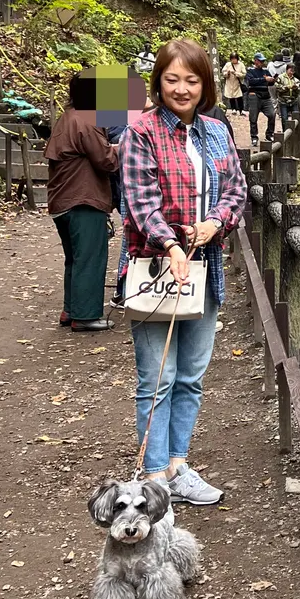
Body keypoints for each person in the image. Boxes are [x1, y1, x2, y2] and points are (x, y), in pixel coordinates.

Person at [120, 38, 247, 505]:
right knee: (157, 377)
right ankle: (153, 478)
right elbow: (139, 200)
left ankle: (178, 465)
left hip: (206, 269)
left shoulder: (216, 131)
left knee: (191, 375)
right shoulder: (142, 131)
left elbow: (236, 189)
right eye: (171, 79)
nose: (181, 88)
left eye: (191, 80)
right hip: (156, 266)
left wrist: (216, 223)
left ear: (205, 84)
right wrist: (171, 242)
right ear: (158, 82)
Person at [45, 72, 121, 332]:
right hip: (83, 199)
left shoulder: (67, 117)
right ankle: (86, 315)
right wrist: (121, 148)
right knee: (90, 257)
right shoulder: (87, 120)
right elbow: (107, 161)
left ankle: (71, 309)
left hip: (62, 201)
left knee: (75, 258)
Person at [244, 51, 276, 148]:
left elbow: (270, 83)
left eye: (262, 61)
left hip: (265, 96)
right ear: (255, 61)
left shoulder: (266, 71)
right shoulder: (250, 71)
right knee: (253, 117)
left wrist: (272, 80)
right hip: (254, 95)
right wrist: (264, 79)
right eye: (260, 61)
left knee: (272, 114)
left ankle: (269, 134)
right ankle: (254, 136)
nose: (261, 63)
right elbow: (251, 82)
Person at [275, 63, 300, 132]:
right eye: (290, 70)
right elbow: (277, 87)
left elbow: (299, 90)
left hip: (293, 100)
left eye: (293, 71)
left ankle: (295, 132)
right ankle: (285, 133)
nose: (292, 72)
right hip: (283, 100)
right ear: (287, 70)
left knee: (296, 117)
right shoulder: (280, 77)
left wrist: (295, 88)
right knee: (284, 118)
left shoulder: (296, 79)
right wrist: (285, 88)